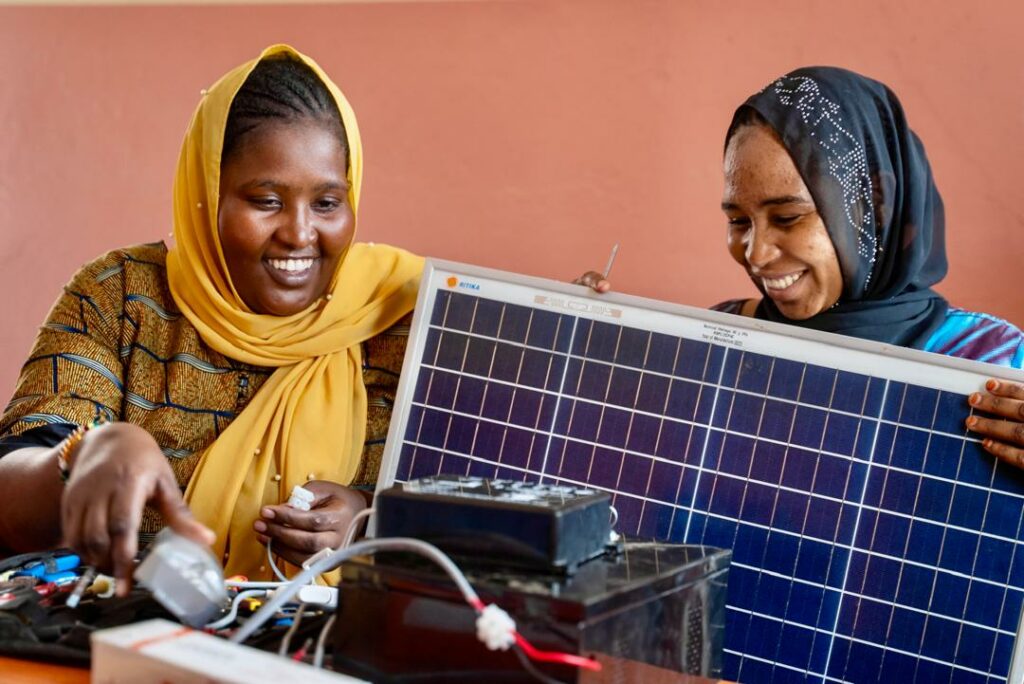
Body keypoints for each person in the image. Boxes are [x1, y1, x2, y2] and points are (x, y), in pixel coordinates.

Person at [0, 44, 422, 589]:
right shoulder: (122, 297)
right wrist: (83, 455)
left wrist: (371, 522)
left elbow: (494, 515)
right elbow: (9, 491)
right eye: (266, 200)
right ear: (205, 197)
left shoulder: (402, 317)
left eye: (326, 203)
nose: (299, 233)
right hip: (123, 647)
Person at [577, 66, 1024, 468]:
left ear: (874, 208)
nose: (756, 254)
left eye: (787, 218)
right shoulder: (719, 340)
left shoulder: (994, 364)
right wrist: (570, 352)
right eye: (738, 221)